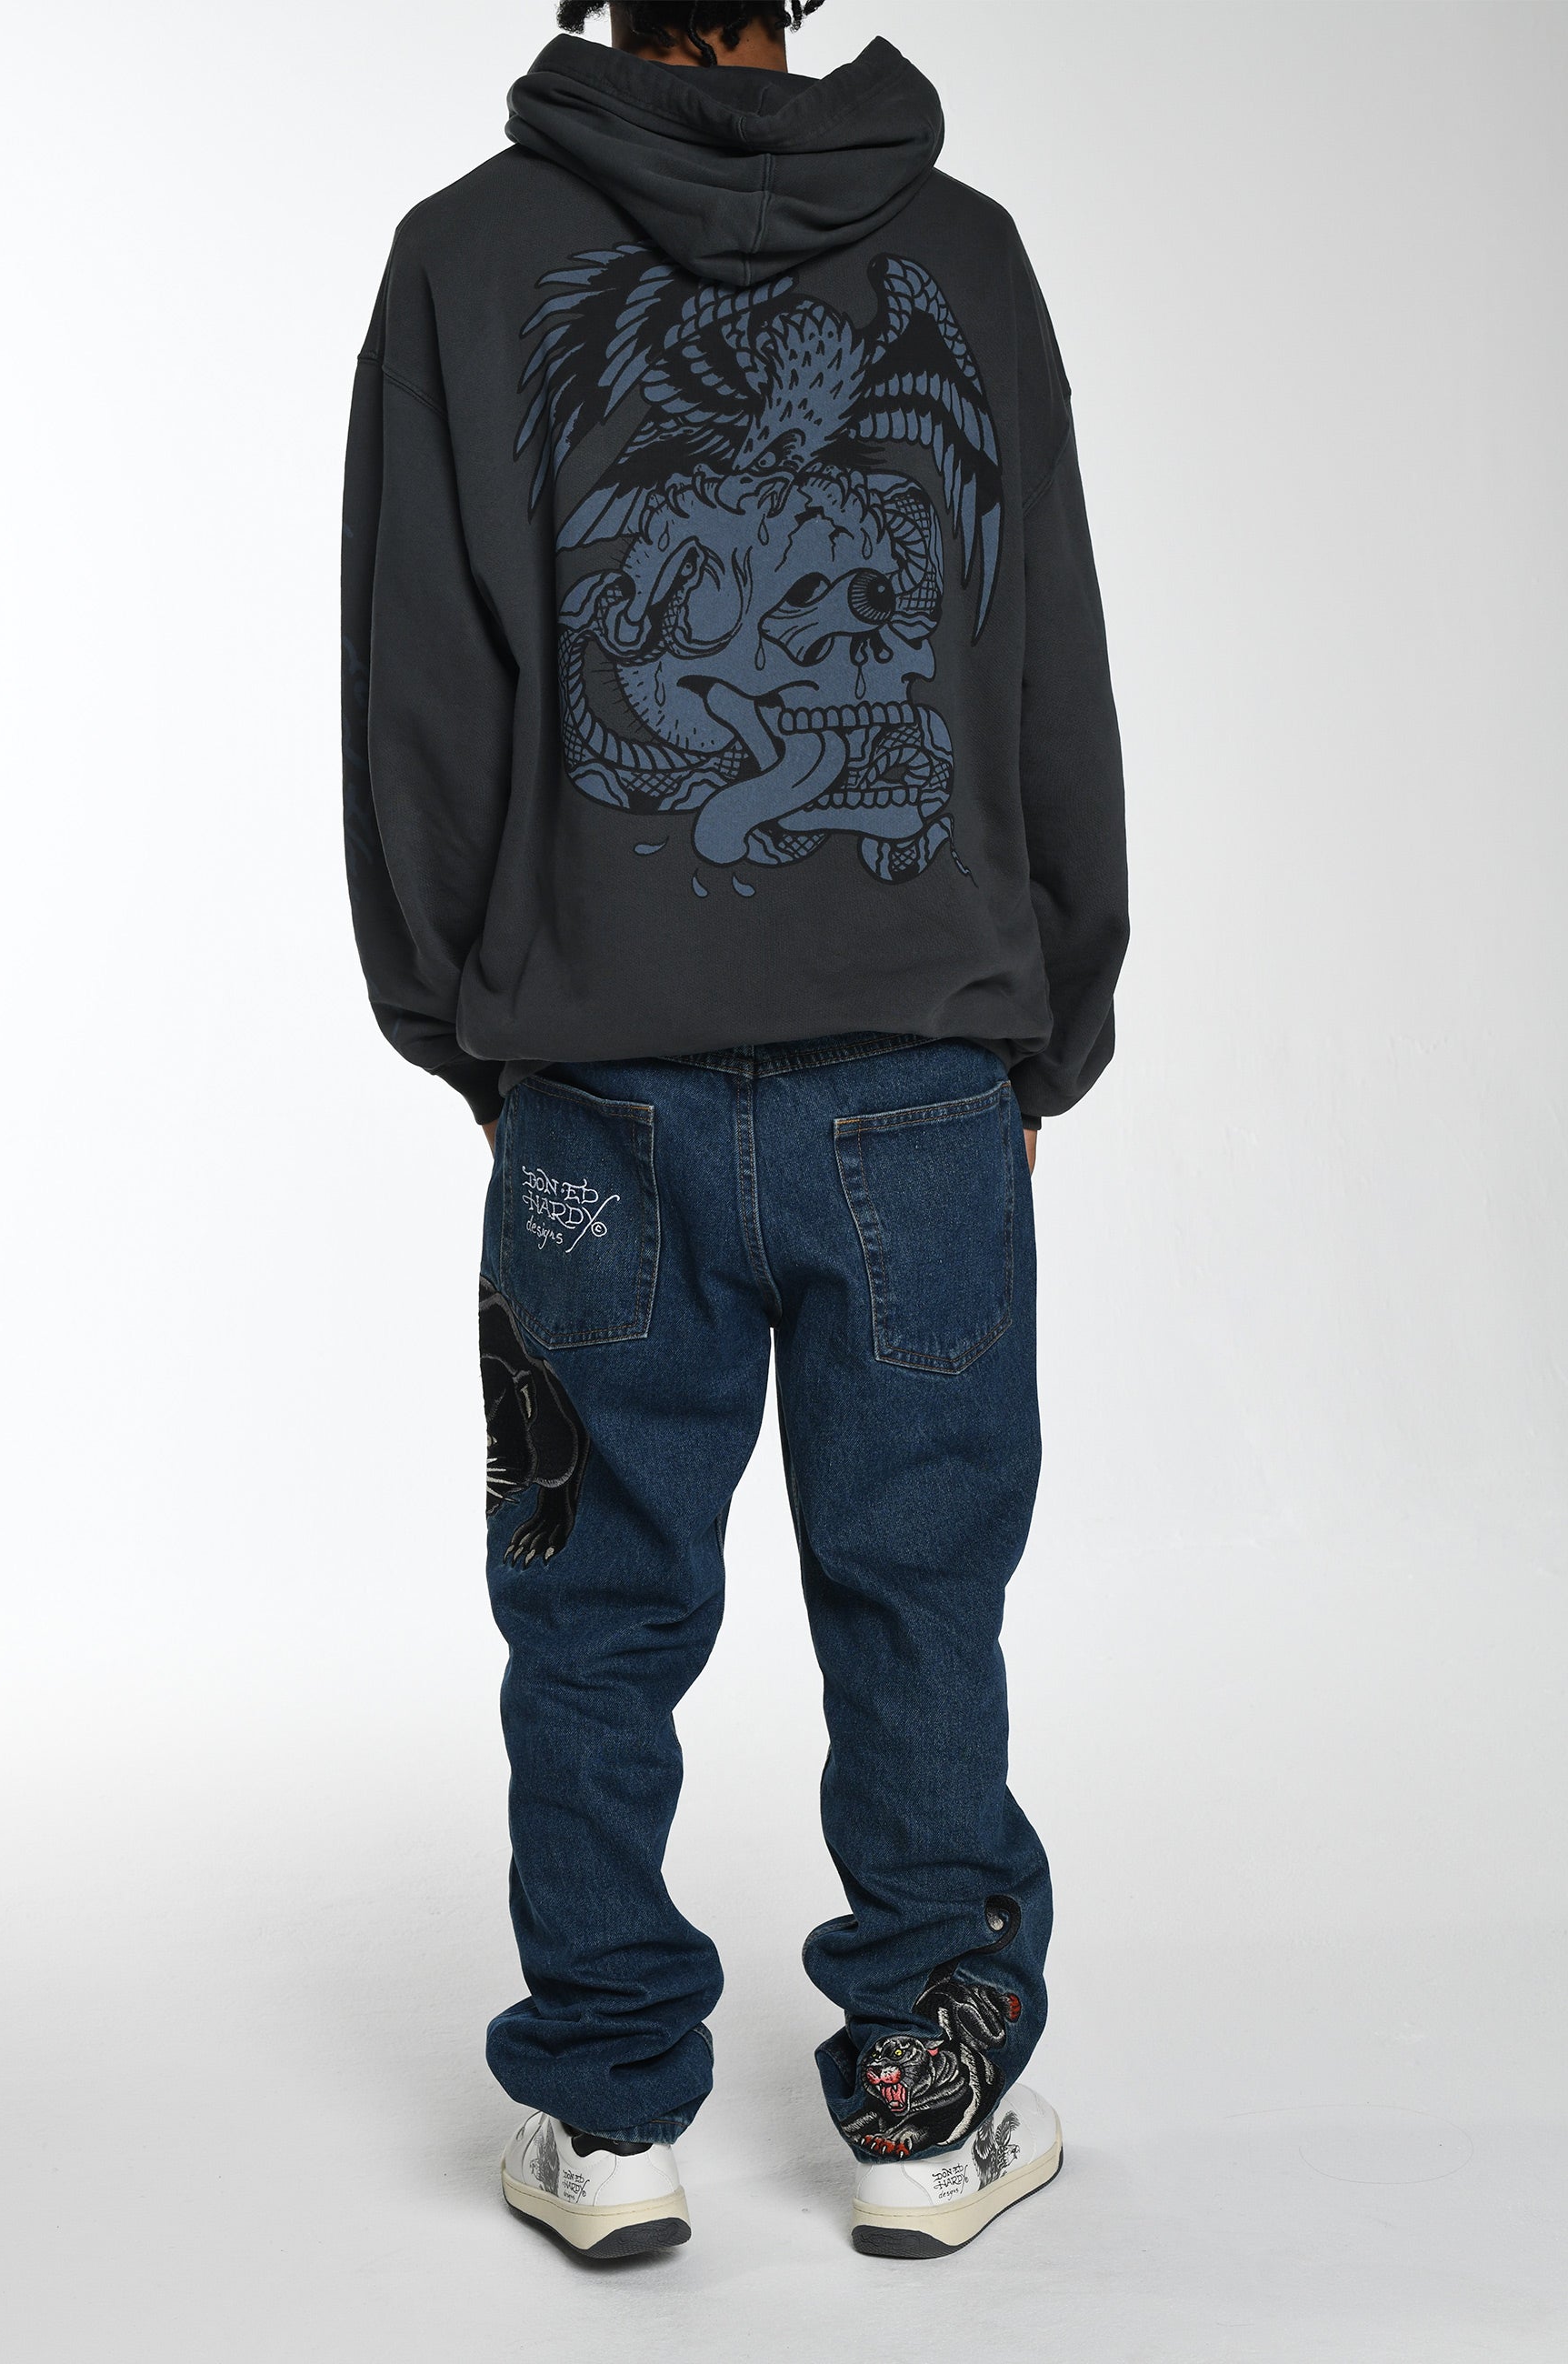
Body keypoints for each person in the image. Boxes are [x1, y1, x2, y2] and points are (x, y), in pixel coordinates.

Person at [342, 0, 1126, 2260]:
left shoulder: (463, 257)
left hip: (599, 1085)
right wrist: (1045, 1027)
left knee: (590, 1605)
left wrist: (487, 1034)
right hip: (920, 1075)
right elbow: (1046, 663)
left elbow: (419, 696)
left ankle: (606, 2122)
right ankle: (924, 2112)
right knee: (920, 1591)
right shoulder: (963, 254)